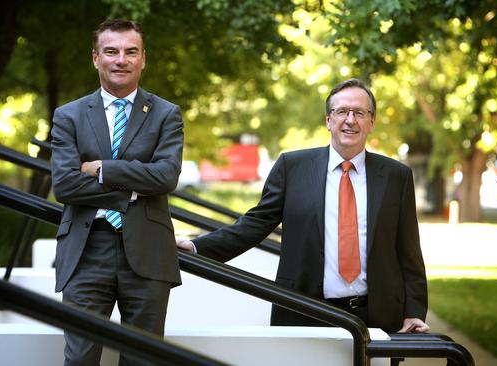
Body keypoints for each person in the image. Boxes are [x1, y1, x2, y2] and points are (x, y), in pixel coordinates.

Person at [177, 78, 429, 334]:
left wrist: (415, 311)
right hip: (304, 310)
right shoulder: (292, 167)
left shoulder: (396, 176)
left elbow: (408, 250)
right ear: (328, 120)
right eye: (341, 111)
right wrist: (199, 246)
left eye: (360, 112)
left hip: (378, 316)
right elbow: (254, 224)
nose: (350, 120)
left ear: (371, 122)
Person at [51, 19, 184, 365]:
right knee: (80, 358)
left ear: (143, 59)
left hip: (148, 254)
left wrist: (102, 169)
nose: (120, 59)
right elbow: (64, 184)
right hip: (85, 250)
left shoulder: (167, 114)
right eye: (111, 51)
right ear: (95, 58)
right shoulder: (69, 115)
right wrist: (131, 192)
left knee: (143, 359)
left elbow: (166, 176)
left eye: (130, 52)